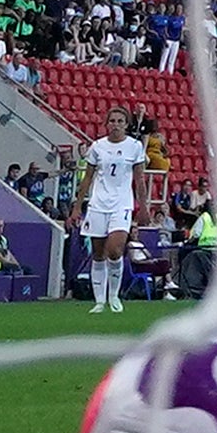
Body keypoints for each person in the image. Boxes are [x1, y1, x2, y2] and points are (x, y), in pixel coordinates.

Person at [77, 107, 147, 313]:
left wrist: (143, 207)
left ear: (126, 124)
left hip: (121, 204)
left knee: (115, 250)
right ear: (107, 124)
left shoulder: (134, 146)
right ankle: (99, 301)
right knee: (98, 254)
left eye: (120, 121)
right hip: (98, 204)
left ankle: (114, 296)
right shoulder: (98, 146)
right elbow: (88, 177)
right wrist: (77, 206)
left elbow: (140, 178)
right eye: (112, 121)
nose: (116, 124)